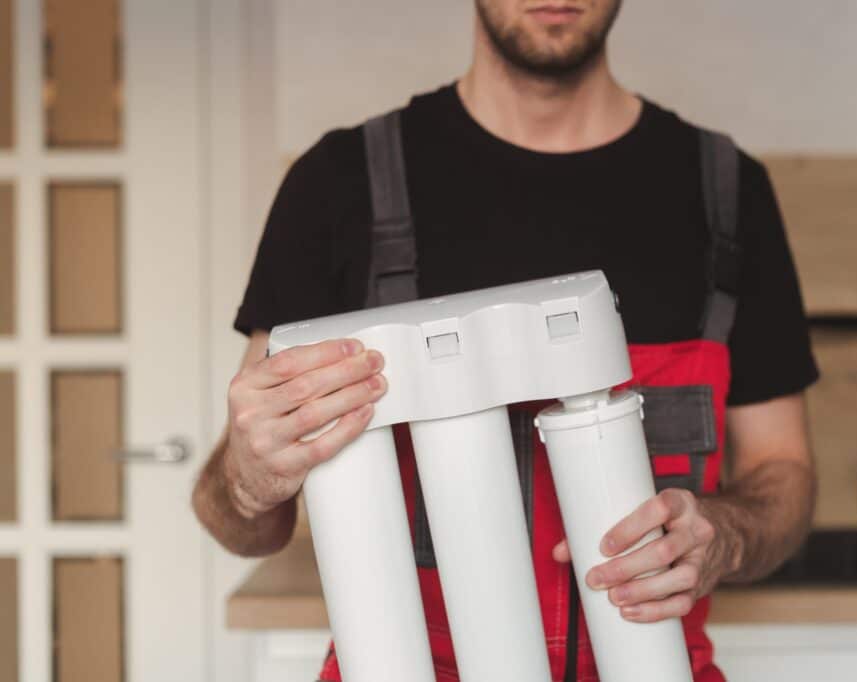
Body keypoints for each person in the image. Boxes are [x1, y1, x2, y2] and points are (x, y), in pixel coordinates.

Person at [192, 1, 819, 680]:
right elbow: (234, 516)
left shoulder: (727, 192)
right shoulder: (339, 186)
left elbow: (784, 475)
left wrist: (723, 535)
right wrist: (248, 481)